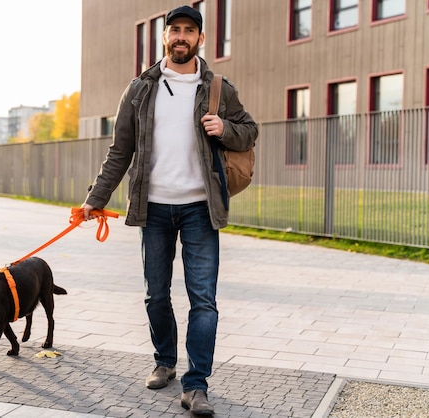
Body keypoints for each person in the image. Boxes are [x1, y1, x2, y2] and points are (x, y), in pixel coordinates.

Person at [81, 5, 258, 416]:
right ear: (165, 37)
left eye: (189, 31)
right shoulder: (140, 89)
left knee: (204, 301)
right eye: (174, 30)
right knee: (156, 295)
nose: (181, 36)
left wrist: (225, 129)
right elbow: (120, 151)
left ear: (200, 38)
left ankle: (196, 386)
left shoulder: (219, 88)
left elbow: (250, 130)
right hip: (154, 208)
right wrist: (97, 197)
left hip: (200, 208)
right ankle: (165, 360)